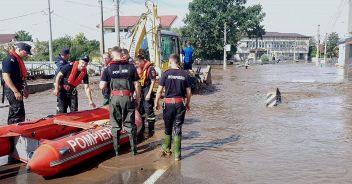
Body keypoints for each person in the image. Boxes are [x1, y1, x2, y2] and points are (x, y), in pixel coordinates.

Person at [100, 49, 141, 156]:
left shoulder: (108, 68)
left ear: (112, 55)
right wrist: (137, 99)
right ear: (121, 54)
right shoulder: (131, 67)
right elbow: (137, 85)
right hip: (127, 97)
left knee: (115, 125)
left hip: (114, 98)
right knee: (130, 124)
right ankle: (134, 151)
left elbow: (102, 86)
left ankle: (117, 152)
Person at [155, 54, 192, 161]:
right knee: (177, 128)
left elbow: (159, 90)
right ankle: (177, 155)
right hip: (180, 104)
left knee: (167, 127)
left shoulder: (166, 73)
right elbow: (189, 92)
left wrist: (156, 102)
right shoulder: (184, 74)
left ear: (170, 62)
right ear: (178, 62)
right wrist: (188, 103)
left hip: (168, 104)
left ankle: (166, 148)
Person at [1, 43, 31, 124]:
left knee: (18, 111)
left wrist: (25, 88)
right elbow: (6, 76)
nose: (26, 55)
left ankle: (13, 130)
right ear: (20, 50)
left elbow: (22, 76)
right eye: (26, 53)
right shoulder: (9, 60)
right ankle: (13, 132)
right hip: (12, 89)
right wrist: (15, 91)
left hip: (18, 88)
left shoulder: (18, 60)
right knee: (17, 111)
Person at [135, 55, 157, 136]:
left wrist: (149, 94)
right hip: (141, 89)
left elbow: (153, 81)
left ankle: (151, 130)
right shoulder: (138, 69)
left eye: (138, 63)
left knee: (148, 109)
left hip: (147, 89)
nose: (137, 65)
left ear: (141, 61)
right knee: (140, 109)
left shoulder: (150, 68)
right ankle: (142, 128)